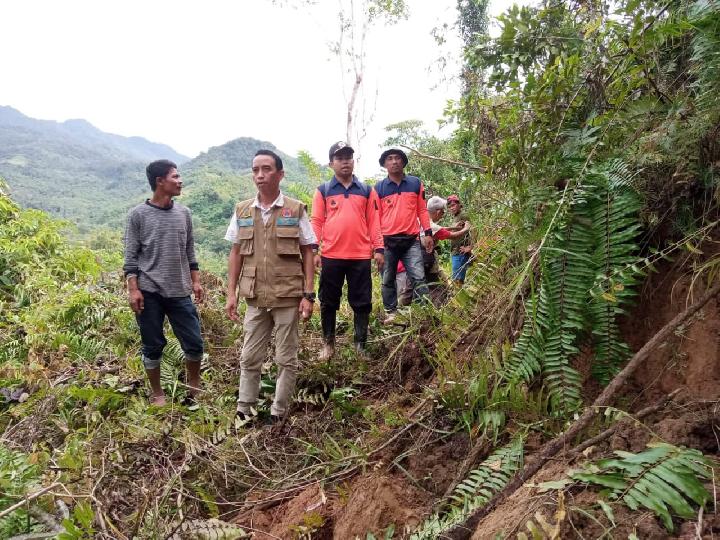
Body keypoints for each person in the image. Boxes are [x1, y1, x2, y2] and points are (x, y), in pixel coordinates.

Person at [225, 149, 316, 423]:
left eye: (266, 169)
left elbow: (308, 251)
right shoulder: (242, 210)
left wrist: (308, 295)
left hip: (288, 296)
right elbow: (236, 251)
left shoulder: (295, 208)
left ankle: (279, 413)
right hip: (255, 297)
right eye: (255, 170)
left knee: (286, 358)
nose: (260, 175)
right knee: (249, 357)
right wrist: (231, 293)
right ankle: (245, 410)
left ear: (280, 174)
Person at [123, 159, 204, 406]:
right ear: (160, 181)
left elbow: (189, 251)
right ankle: (157, 393)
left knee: (194, 342)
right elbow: (131, 256)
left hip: (180, 290)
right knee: (153, 344)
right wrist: (133, 289)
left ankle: (193, 387)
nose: (180, 181)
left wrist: (196, 281)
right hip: (149, 291)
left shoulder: (184, 214)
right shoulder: (138, 215)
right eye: (175, 177)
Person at [311, 142, 384, 359]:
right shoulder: (323, 190)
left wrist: (379, 248)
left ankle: (360, 346)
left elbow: (374, 221)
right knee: (328, 302)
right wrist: (314, 250)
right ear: (331, 163)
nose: (345, 161)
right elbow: (316, 222)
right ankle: (328, 345)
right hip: (331, 255)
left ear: (353, 161)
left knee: (362, 302)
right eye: (340, 157)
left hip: (360, 256)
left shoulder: (366, 191)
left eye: (348, 157)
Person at [374, 148, 433, 324]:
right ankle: (391, 313)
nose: (394, 162)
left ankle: (425, 312)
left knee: (418, 276)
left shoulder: (415, 183)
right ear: (385, 164)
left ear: (403, 162)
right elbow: (374, 218)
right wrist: (376, 246)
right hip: (388, 242)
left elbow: (422, 209)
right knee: (387, 279)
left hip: (411, 241)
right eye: (390, 159)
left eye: (397, 158)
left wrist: (428, 232)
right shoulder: (378, 188)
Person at [447, 194, 473, 284]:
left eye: (453, 205)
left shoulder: (463, 215)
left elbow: (473, 230)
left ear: (459, 204)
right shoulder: (456, 217)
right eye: (449, 207)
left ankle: (458, 296)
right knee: (457, 279)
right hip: (455, 251)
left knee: (457, 280)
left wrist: (469, 247)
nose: (451, 208)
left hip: (460, 252)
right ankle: (458, 296)